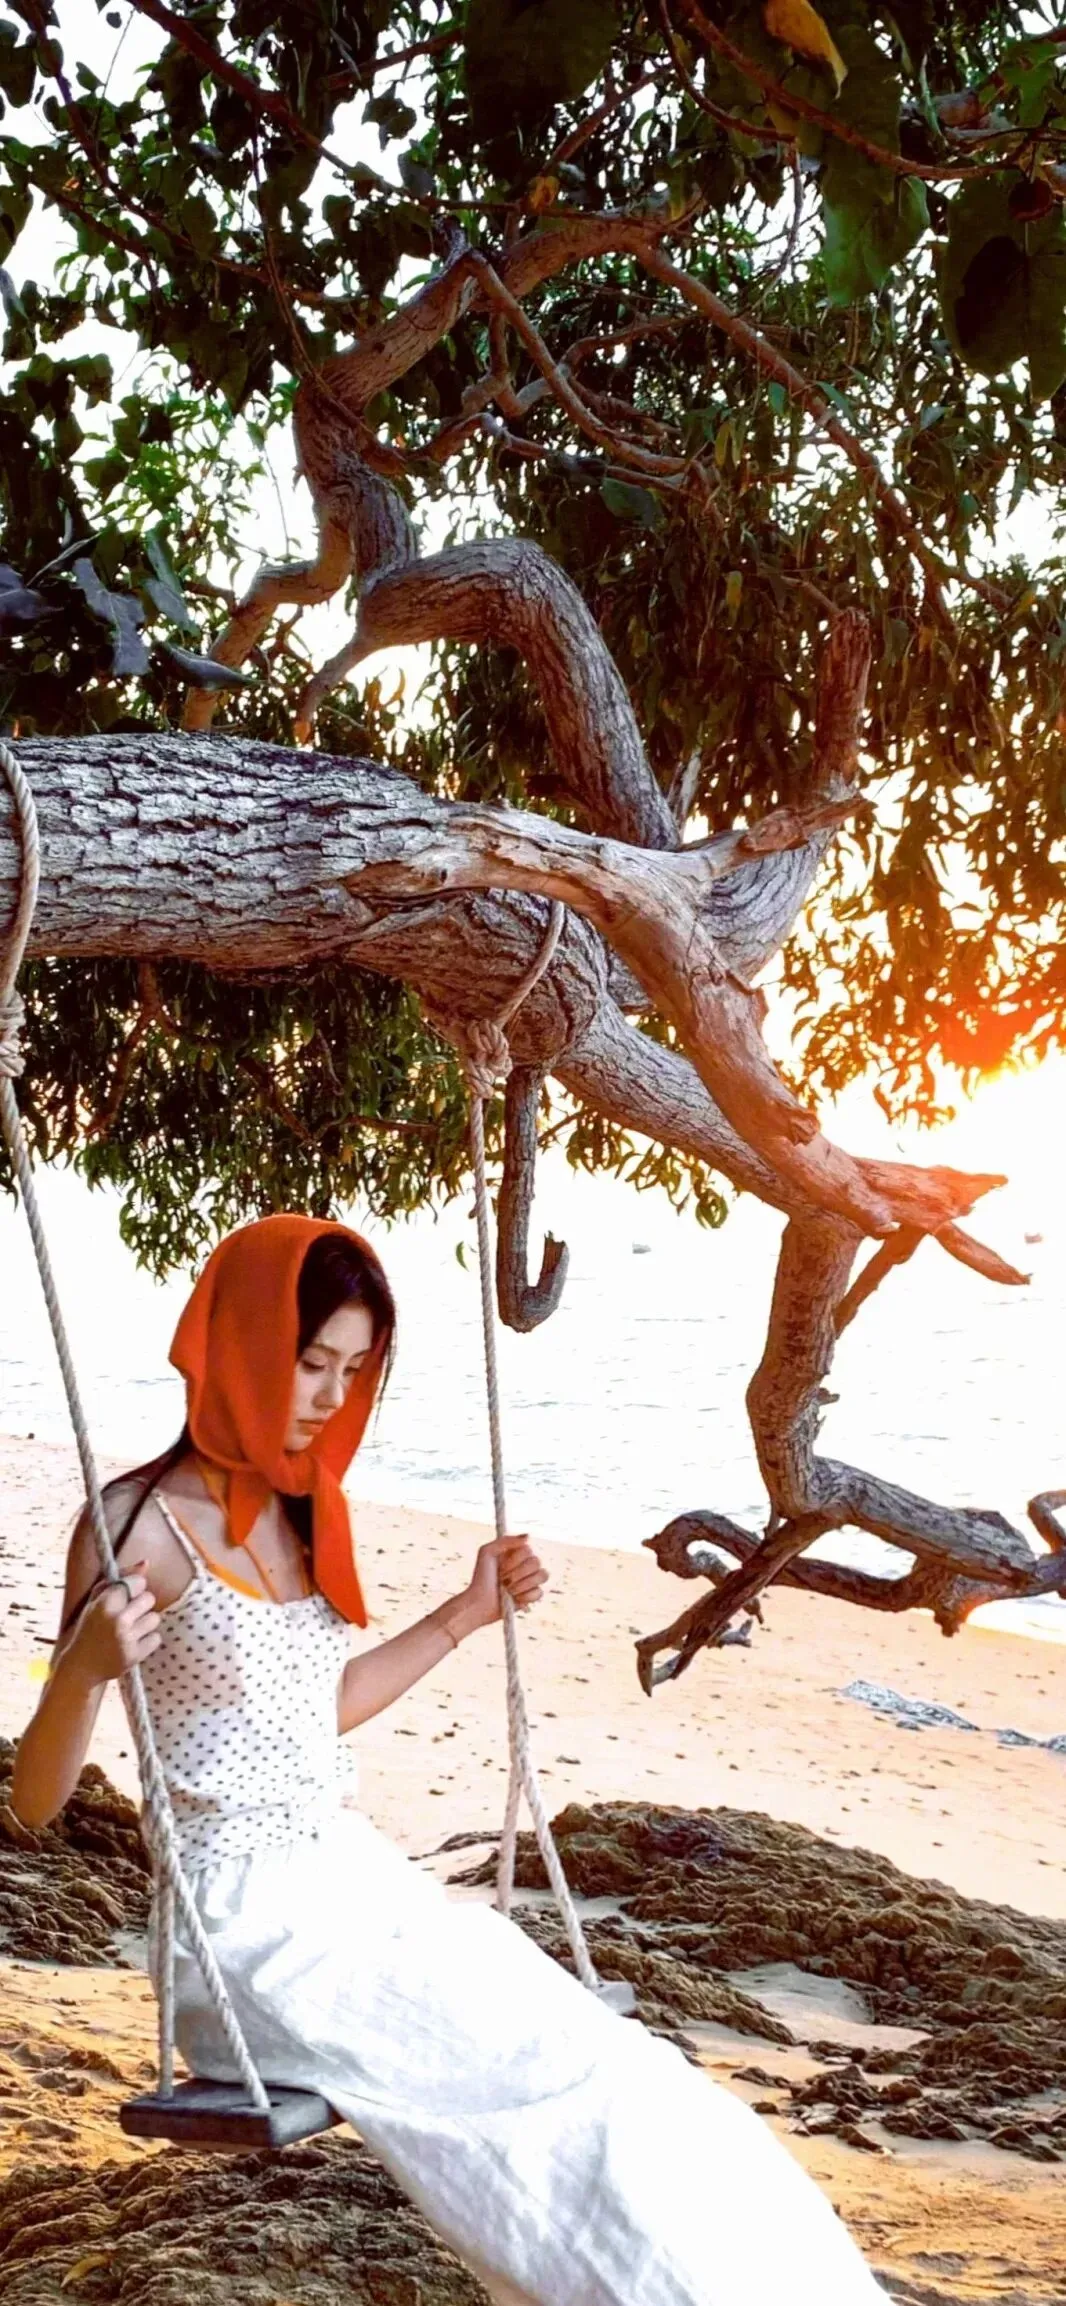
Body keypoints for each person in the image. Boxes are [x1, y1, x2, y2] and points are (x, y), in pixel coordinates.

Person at [11, 1214, 889, 2306]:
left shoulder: (300, 1505)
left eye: (354, 1369)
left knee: (619, 2069)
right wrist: (83, 1672)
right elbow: (35, 1801)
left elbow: (308, 1713)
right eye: (311, 1361)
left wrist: (464, 1614)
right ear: (240, 1341)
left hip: (354, 1880)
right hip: (244, 1931)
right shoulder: (134, 1528)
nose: (332, 1396)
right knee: (539, 2098)